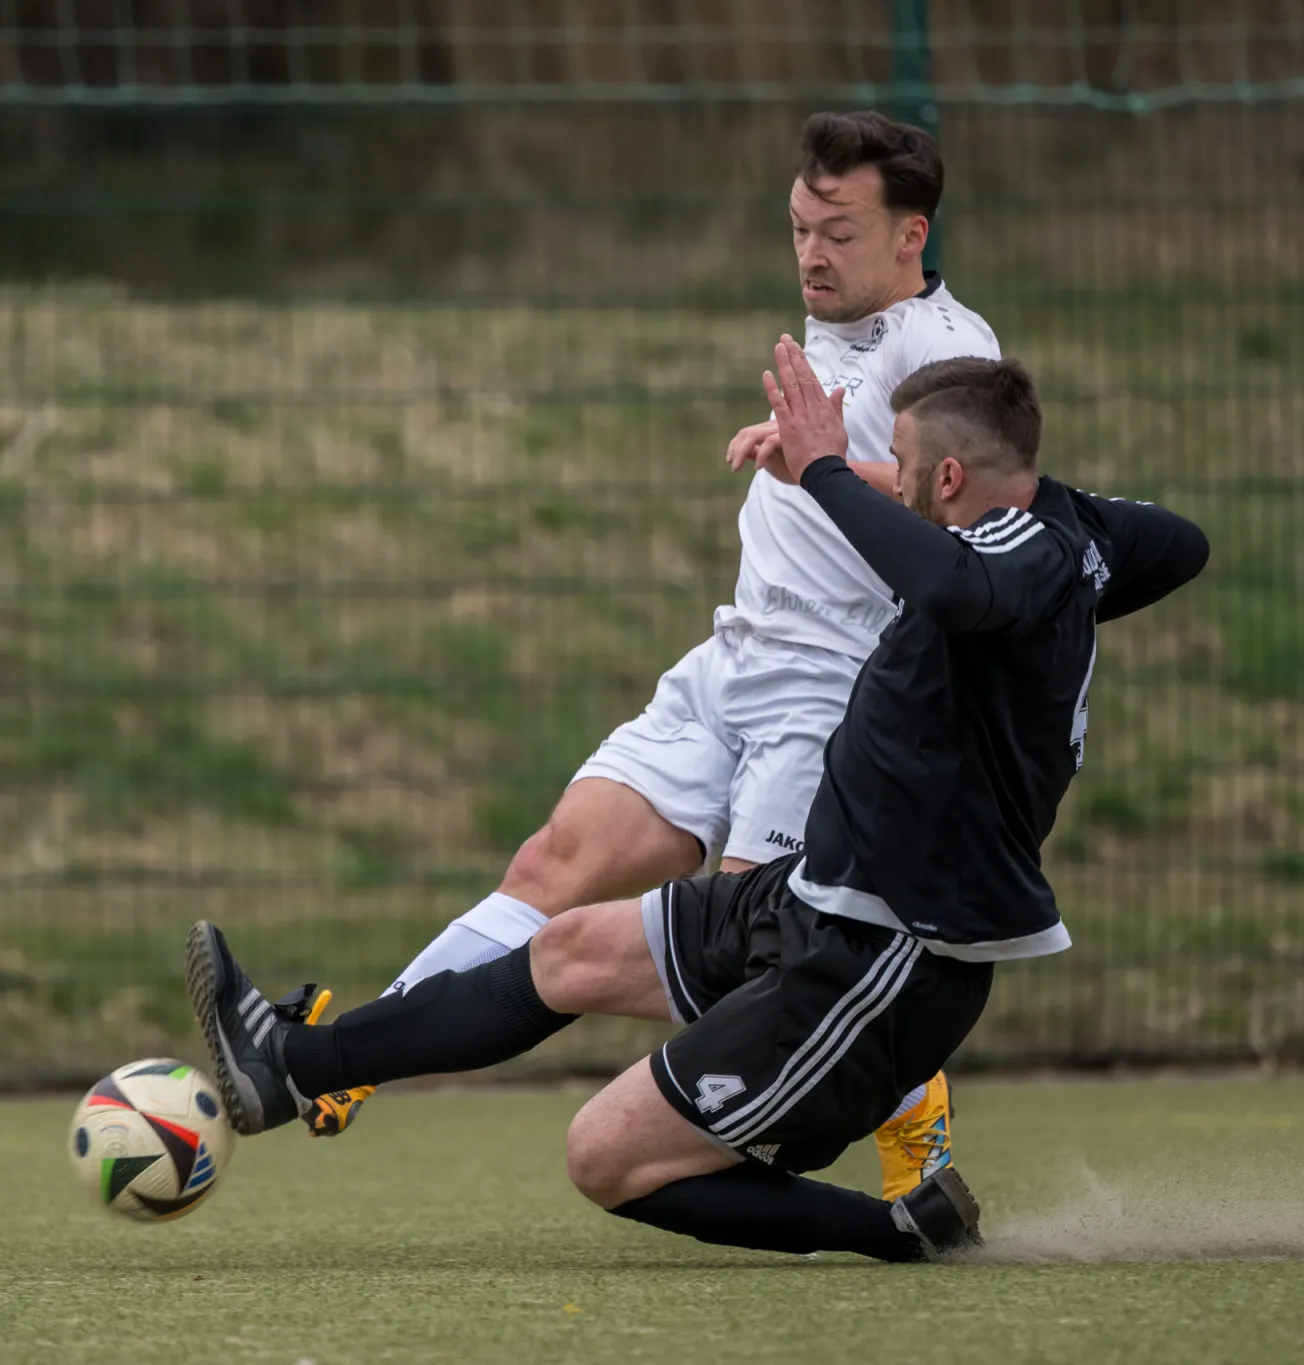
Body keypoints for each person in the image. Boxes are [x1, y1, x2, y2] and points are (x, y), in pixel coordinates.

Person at [182, 348, 1210, 1263]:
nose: (883, 481)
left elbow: (954, 587)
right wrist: (1056, 542)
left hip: (886, 956)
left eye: (897, 466)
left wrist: (822, 470)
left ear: (947, 480)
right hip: (814, 897)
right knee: (567, 948)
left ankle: (899, 1231)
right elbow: (1181, 542)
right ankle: (290, 1069)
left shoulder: (1012, 560)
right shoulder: (1061, 539)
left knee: (603, 1157)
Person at [304, 110, 1004, 1204]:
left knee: (765, 957)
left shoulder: (948, 349)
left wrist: (822, 464)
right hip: (732, 661)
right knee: (549, 867)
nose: (811, 254)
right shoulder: (839, 315)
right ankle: (353, 1056)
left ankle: (914, 1123)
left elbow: (978, 516)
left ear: (912, 235)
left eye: (839, 233)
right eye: (798, 227)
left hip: (832, 694)